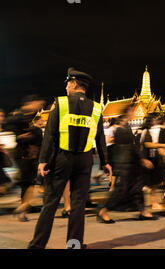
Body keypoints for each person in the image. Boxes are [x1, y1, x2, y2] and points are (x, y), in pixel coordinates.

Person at [28, 68, 112, 249]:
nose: (66, 87)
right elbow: (100, 138)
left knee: (50, 203)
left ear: (74, 84)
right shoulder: (96, 108)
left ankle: (37, 246)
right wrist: (105, 161)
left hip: (61, 158)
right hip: (84, 161)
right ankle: (74, 245)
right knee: (78, 205)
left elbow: (49, 135)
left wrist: (43, 160)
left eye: (67, 83)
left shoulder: (60, 103)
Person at [97, 105, 156, 223]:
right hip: (125, 163)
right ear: (128, 112)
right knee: (121, 189)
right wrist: (143, 159)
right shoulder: (121, 128)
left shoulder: (125, 126)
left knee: (137, 188)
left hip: (131, 162)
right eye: (133, 111)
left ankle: (142, 211)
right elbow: (131, 147)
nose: (134, 113)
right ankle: (104, 210)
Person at [3, 95, 45, 222]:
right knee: (30, 183)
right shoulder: (20, 115)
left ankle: (24, 208)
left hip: (33, 155)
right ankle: (23, 208)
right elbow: (9, 123)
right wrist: (21, 135)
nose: (40, 107)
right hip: (24, 154)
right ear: (31, 103)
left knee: (28, 183)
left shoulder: (34, 118)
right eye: (39, 103)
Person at [12, 115, 44, 222]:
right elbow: (41, 146)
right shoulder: (37, 131)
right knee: (35, 186)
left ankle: (23, 210)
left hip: (24, 160)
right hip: (32, 161)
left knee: (27, 186)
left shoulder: (21, 134)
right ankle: (23, 208)